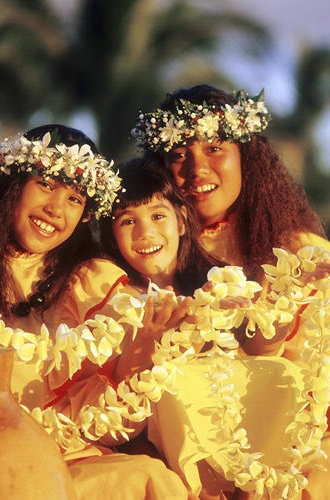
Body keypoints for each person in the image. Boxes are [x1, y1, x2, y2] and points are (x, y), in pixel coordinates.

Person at [131, 85, 330, 498]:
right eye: (179, 155)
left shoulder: (300, 250)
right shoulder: (149, 247)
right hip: (175, 452)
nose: (197, 170)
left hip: (293, 441)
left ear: (247, 157)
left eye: (215, 149)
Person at [0, 124, 191, 500]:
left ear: (86, 215)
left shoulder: (93, 284)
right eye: (46, 185)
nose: (55, 209)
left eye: (75, 199)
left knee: (148, 476)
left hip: (66, 461)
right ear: (15, 182)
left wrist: (143, 351)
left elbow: (112, 425)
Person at [99, 158, 318, 500]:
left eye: (158, 216)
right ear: (111, 236)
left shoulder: (216, 278)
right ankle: (204, 491)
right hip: (155, 425)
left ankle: (259, 486)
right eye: (128, 221)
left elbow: (262, 347)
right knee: (175, 383)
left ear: (182, 222)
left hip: (232, 421)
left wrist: (285, 303)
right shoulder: (118, 296)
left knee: (283, 373)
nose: (146, 233)